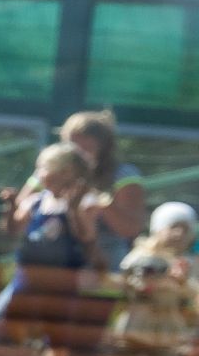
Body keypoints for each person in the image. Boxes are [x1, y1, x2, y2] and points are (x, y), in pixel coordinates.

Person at [0, 142, 109, 356]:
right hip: (29, 275)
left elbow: (87, 235)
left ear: (65, 172)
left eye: (43, 168)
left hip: (62, 279)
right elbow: (12, 229)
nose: (38, 174)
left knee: (58, 332)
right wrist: (10, 206)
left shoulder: (86, 202)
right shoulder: (36, 201)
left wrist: (72, 208)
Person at [105, 201, 198, 356]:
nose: (178, 234)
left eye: (184, 229)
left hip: (166, 327)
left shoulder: (188, 263)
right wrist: (143, 283)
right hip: (135, 322)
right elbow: (125, 280)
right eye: (173, 227)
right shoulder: (141, 255)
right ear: (158, 228)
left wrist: (181, 281)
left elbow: (193, 295)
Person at [61, 110, 148, 270]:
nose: (78, 153)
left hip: (105, 264)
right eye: (72, 145)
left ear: (104, 145)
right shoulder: (49, 172)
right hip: (57, 261)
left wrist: (102, 202)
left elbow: (131, 229)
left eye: (86, 147)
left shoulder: (123, 175)